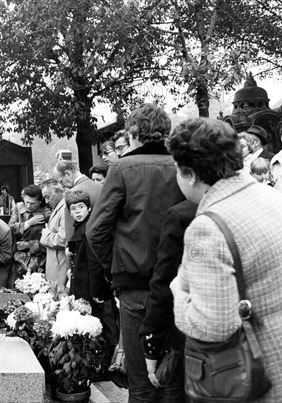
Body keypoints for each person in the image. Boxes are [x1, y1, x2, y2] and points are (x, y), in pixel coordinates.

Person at [167, 117, 282, 402]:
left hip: (259, 379)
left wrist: (178, 292)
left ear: (190, 174)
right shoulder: (278, 200)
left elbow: (212, 326)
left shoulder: (205, 229)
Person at [86, 103, 184, 401]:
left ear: (133, 133)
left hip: (136, 285)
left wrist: (114, 265)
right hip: (180, 285)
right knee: (173, 380)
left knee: (140, 384)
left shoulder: (123, 168)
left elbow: (96, 229)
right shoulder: (183, 166)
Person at [139, 199, 197, 400]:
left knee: (174, 388)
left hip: (189, 332)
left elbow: (164, 281)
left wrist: (151, 346)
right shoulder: (263, 204)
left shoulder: (182, 214)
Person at [66, 190, 118, 364]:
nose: (78, 211)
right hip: (84, 283)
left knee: (101, 326)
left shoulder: (89, 229)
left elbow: (95, 263)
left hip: (92, 287)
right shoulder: (82, 227)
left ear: (89, 208)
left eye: (81, 207)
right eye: (73, 208)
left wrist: (97, 291)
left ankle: (107, 364)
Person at [52, 160, 103, 241]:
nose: (61, 186)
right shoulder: (101, 187)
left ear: (68, 173)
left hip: (83, 244)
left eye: (61, 181)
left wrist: (69, 247)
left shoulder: (71, 193)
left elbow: (70, 229)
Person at [9, 185, 50, 277]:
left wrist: (30, 244)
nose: (28, 206)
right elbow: (10, 228)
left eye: (32, 203)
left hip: (39, 257)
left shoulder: (47, 212)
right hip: (18, 256)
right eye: (26, 202)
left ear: (40, 201)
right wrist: (28, 223)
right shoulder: (18, 207)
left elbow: (50, 238)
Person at [40, 179, 68, 287]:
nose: (46, 201)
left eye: (48, 197)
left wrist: (45, 234)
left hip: (60, 264)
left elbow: (63, 240)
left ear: (57, 192)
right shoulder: (59, 207)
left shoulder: (64, 208)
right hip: (56, 263)